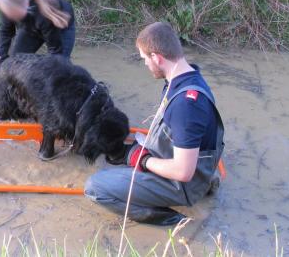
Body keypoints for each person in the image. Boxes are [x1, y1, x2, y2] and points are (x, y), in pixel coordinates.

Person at [84, 22, 224, 225]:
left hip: (181, 182)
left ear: (157, 57)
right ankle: (206, 184)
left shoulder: (186, 105)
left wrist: (143, 160)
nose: (145, 65)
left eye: (144, 59)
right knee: (125, 158)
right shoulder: (187, 77)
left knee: (95, 187)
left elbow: (183, 172)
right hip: (189, 166)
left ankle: (175, 221)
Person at [0, 0, 76, 76]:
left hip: (61, 26)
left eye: (14, 16)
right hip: (32, 26)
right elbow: (5, 32)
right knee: (15, 62)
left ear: (25, 5)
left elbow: (55, 52)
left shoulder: (43, 15)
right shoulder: (8, 7)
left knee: (59, 67)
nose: (11, 18)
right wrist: (0, 60)